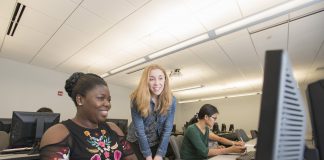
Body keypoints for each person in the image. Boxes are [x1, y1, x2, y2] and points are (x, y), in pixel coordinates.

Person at [39, 72, 137, 160]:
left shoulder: (113, 129)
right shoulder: (58, 133)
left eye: (109, 99)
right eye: (100, 98)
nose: (107, 104)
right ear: (80, 100)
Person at [126, 64, 176, 160]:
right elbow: (140, 131)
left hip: (157, 141)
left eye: (160, 78)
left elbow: (167, 129)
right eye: (151, 79)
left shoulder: (171, 100)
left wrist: (160, 154)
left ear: (165, 80)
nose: (157, 83)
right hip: (137, 141)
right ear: (146, 81)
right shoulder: (136, 99)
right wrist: (147, 156)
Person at [180, 104, 246, 159]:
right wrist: (229, 150)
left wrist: (216, 148)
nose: (215, 121)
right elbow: (205, 152)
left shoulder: (206, 130)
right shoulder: (192, 129)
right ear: (206, 117)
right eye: (214, 118)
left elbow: (202, 149)